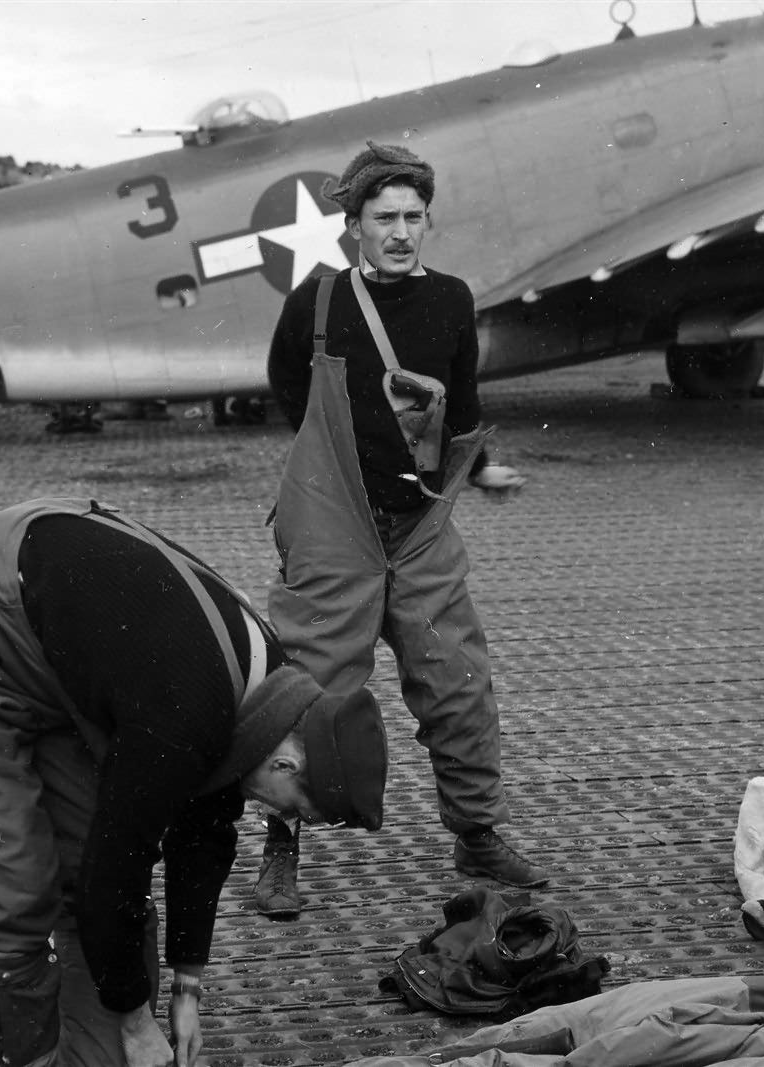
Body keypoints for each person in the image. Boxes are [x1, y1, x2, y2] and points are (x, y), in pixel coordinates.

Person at [0, 497, 388, 1067]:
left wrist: (186, 987)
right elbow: (116, 865)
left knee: (84, 869)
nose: (285, 816)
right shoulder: (187, 717)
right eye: (298, 810)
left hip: (65, 647)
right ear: (287, 765)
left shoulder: (269, 694)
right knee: (8, 893)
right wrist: (137, 1022)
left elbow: (205, 830)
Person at [259, 141, 545, 919]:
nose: (401, 231)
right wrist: (327, 469)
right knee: (308, 687)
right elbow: (290, 386)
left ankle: (477, 832)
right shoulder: (316, 304)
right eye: (384, 217)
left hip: (419, 524)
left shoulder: (451, 299)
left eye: (414, 217)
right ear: (354, 224)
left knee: (458, 680)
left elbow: (465, 401)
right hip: (333, 522)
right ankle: (281, 842)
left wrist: (480, 469)